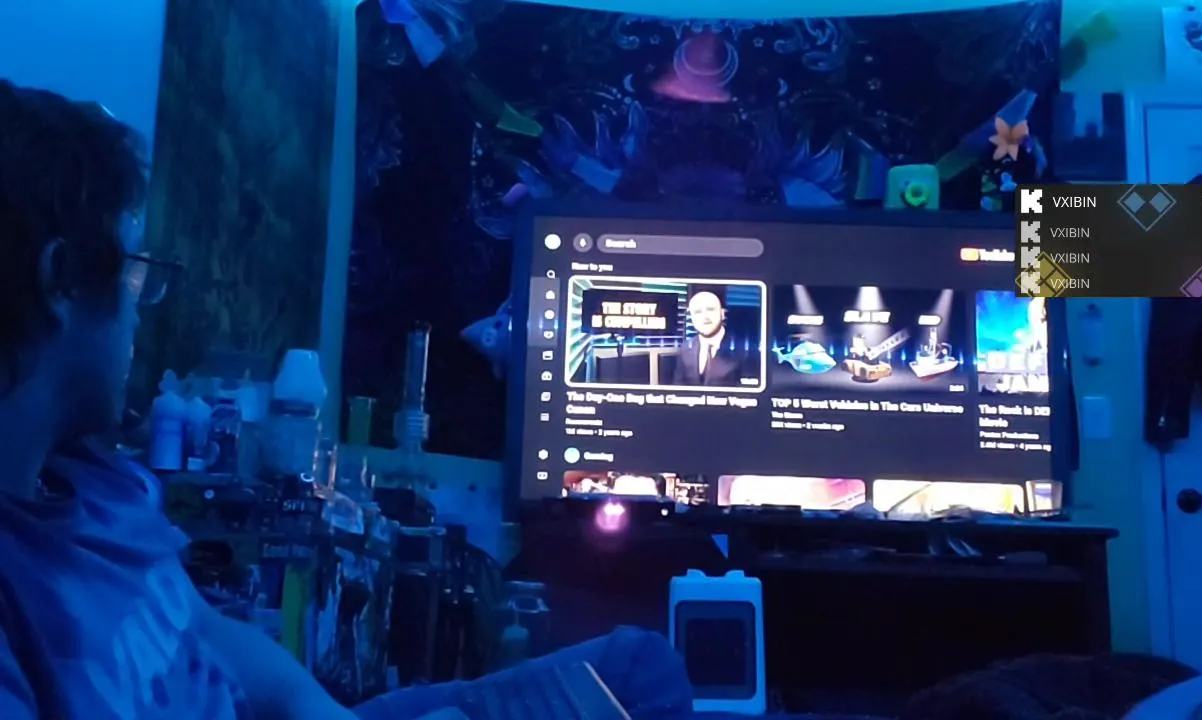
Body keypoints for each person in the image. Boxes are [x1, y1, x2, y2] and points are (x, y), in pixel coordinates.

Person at [0, 80, 692, 719]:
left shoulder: (96, 482)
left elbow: (208, 632)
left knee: (641, 667)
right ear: (62, 279)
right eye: (133, 269)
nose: (141, 307)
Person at [669, 289, 742, 387]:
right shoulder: (685, 348)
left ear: (722, 314)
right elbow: (678, 388)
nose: (704, 317)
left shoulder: (742, 350)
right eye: (698, 312)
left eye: (710, 309)